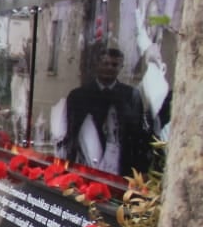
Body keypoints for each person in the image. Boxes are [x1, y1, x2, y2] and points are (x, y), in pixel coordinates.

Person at [59, 48, 153, 177]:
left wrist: (141, 169)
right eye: (105, 63)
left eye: (114, 65)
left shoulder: (131, 96)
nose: (109, 68)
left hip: (121, 169)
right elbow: (70, 134)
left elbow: (138, 135)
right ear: (97, 64)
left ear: (121, 67)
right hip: (86, 168)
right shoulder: (78, 96)